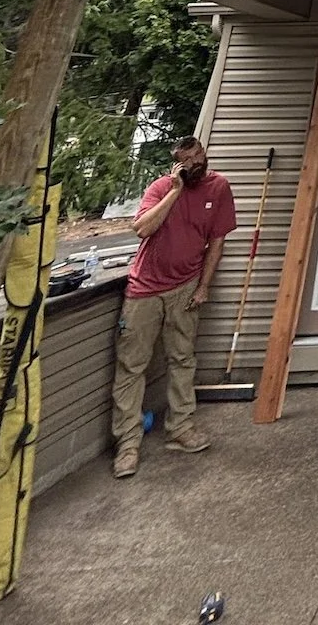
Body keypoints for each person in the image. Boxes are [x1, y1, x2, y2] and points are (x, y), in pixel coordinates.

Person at [110, 136, 236, 478]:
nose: (197, 164)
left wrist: (204, 286)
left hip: (186, 288)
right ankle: (128, 443)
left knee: (182, 359)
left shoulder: (219, 188)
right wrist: (175, 191)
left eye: (199, 156)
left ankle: (180, 428)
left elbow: (217, 242)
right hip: (145, 289)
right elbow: (142, 229)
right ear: (177, 164)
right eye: (188, 160)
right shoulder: (161, 188)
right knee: (131, 365)